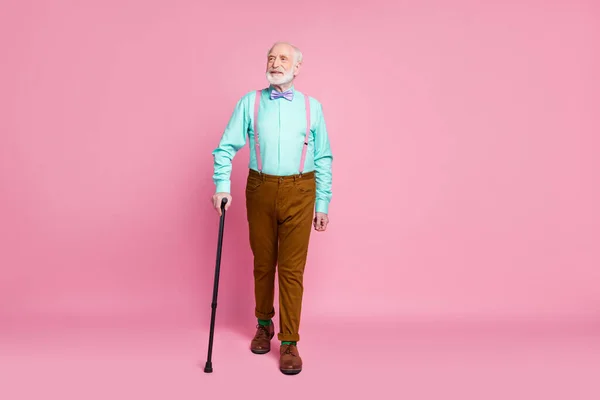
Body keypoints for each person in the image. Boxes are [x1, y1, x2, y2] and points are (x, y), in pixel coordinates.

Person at [210, 41, 333, 375]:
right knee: (263, 263)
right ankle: (264, 324)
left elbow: (323, 157)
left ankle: (290, 341)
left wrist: (323, 202)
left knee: (292, 270)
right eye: (271, 57)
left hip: (301, 189)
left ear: (297, 67)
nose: (275, 62)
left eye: (283, 58)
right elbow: (225, 148)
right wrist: (222, 186)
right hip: (260, 187)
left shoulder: (313, 107)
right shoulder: (250, 103)